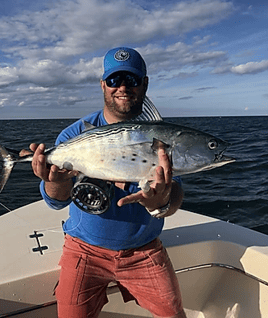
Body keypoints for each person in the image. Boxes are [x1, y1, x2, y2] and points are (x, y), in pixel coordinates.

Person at [28, 47, 187, 318]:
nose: (123, 87)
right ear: (103, 84)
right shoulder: (75, 133)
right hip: (84, 249)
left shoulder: (163, 135)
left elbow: (176, 194)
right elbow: (55, 200)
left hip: (144, 249)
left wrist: (159, 203)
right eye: (114, 80)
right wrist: (54, 181)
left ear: (145, 84)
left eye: (132, 80)